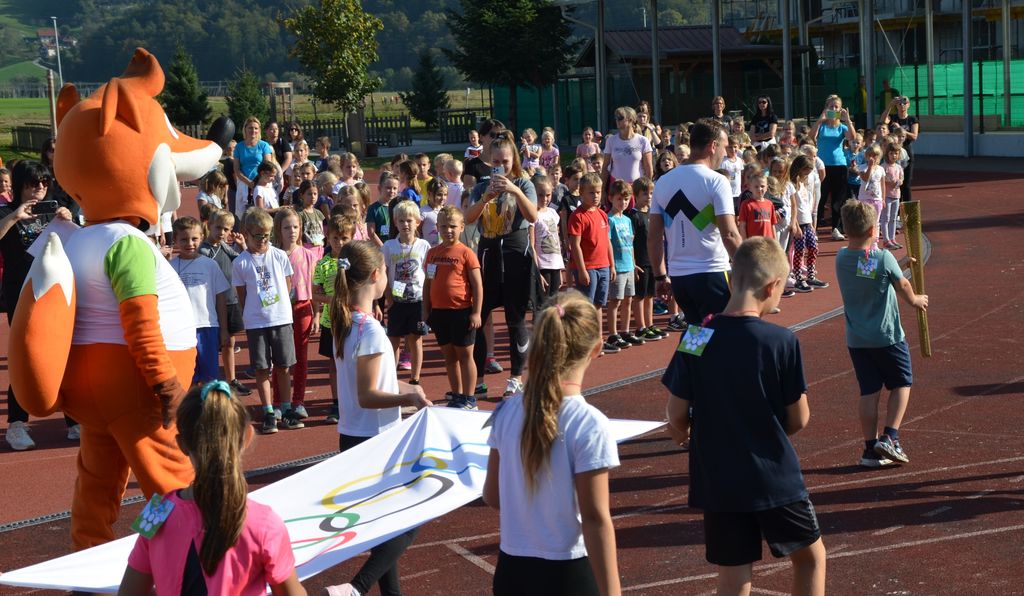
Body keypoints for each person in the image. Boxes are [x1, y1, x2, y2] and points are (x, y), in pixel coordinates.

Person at [664, 237, 826, 596]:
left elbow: (675, 414)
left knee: (733, 575)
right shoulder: (781, 341)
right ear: (772, 286)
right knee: (810, 558)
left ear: (731, 279)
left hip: (718, 478)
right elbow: (799, 418)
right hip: (773, 475)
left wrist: (686, 431)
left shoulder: (697, 336)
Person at [483, 290, 620, 596]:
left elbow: (492, 495)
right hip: (568, 574)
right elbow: (596, 519)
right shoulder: (588, 422)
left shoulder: (506, 411)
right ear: (596, 348)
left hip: (512, 571)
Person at [117, 381, 306, 595]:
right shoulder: (264, 522)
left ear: (182, 445)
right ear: (246, 437)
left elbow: (129, 592)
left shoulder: (156, 511)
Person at [321, 241, 431, 596]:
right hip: (375, 439)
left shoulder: (347, 323)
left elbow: (373, 382)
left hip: (355, 436)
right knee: (413, 514)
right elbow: (368, 395)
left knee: (384, 526)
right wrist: (408, 397)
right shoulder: (368, 331)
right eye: (385, 269)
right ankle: (356, 588)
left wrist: (409, 388)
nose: (387, 275)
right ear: (374, 275)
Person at [835, 200, 928, 468]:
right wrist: (915, 300)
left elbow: (873, 273)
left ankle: (869, 449)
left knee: (869, 391)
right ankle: (890, 436)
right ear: (873, 230)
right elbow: (902, 284)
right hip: (886, 336)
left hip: (857, 339)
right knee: (902, 383)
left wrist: (898, 265)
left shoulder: (842, 257)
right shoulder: (882, 257)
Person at [0, 161, 79, 449]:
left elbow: (80, 242)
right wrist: (14, 217)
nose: (40, 189)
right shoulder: (6, 213)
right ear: (20, 185)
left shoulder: (53, 213)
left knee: (63, 355)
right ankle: (16, 425)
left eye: (44, 183)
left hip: (55, 293)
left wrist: (70, 219)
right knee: (28, 356)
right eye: (33, 184)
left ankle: (73, 420)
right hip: (23, 295)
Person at [648, 119, 742, 327]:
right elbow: (729, 234)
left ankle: (690, 352)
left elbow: (653, 237)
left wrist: (660, 276)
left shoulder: (663, 182)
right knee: (721, 334)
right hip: (711, 273)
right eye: (724, 147)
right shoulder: (717, 181)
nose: (725, 154)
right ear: (713, 146)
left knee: (697, 333)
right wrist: (750, 267)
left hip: (680, 278)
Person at [465, 132, 539, 398]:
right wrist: (485, 198)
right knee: (479, 315)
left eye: (505, 161)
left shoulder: (524, 183)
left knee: (515, 318)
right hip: (488, 253)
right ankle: (479, 379)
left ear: (513, 160)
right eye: (496, 162)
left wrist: (515, 190)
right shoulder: (481, 187)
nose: (501, 166)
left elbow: (533, 216)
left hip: (515, 251)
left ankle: (516, 377)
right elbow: (468, 218)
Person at [232, 208, 300, 434]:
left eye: (267, 235)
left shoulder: (279, 256)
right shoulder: (240, 263)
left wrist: (278, 308)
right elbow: (242, 296)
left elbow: (287, 285)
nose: (262, 240)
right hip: (257, 323)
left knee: (284, 366)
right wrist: (254, 312)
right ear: (247, 233)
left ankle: (286, 409)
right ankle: (269, 411)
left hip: (281, 319)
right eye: (257, 236)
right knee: (262, 368)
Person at [423, 206, 483, 410]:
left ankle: (470, 398)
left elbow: (477, 285)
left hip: (462, 312)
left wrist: (476, 312)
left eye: (452, 226)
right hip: (440, 313)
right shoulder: (432, 254)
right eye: (443, 226)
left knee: (465, 357)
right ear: (437, 227)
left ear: (461, 227)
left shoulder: (467, 253)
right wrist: (426, 310)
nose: (448, 230)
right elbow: (428, 283)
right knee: (449, 357)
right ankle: (457, 395)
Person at [170, 217, 230, 385]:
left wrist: (224, 330)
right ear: (175, 240)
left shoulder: (210, 265)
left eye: (194, 238)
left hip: (207, 327)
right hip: (181, 329)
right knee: (187, 376)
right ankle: (190, 403)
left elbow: (220, 299)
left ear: (202, 237)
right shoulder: (169, 267)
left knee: (210, 378)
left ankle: (208, 403)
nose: (190, 243)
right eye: (184, 239)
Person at [271, 207, 317, 421]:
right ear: (278, 230)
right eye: (287, 227)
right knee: (280, 358)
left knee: (301, 357)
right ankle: (278, 402)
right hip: (279, 312)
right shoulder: (273, 255)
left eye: (296, 227)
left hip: (302, 308)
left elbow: (314, 288)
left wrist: (316, 314)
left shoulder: (308, 255)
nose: (292, 231)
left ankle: (298, 401)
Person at [200, 210, 252, 396]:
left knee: (229, 342)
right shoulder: (203, 250)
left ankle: (231, 380)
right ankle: (211, 381)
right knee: (211, 345)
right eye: (218, 228)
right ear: (209, 226)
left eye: (226, 229)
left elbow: (244, 260)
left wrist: (243, 245)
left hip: (230, 300)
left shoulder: (225, 246)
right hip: (211, 304)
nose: (222, 233)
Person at [382, 200, 431, 385]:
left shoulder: (424, 245)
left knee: (415, 339)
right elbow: (384, 273)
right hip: (396, 301)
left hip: (417, 301)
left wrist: (428, 299)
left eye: (409, 220)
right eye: (401, 221)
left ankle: (415, 378)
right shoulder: (389, 246)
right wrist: (388, 297)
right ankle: (391, 378)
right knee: (393, 339)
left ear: (417, 222)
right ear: (395, 222)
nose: (405, 224)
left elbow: (429, 273)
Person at [568, 173, 617, 354]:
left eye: (598, 192)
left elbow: (607, 241)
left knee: (598, 305)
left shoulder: (602, 214)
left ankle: (598, 340)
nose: (596, 196)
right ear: (581, 193)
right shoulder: (577, 216)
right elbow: (575, 245)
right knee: (585, 307)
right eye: (591, 192)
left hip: (603, 266)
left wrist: (612, 265)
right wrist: (582, 270)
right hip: (587, 268)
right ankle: (583, 342)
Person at [313, 215, 354, 424]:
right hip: (331, 322)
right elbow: (315, 294)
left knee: (353, 362)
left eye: (344, 238)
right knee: (334, 363)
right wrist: (332, 299)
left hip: (353, 321)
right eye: (335, 238)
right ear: (328, 238)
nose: (339, 243)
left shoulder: (355, 262)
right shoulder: (323, 264)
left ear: (351, 238)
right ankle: (337, 403)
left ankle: (353, 400)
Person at [811, 95, 857, 240]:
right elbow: (811, 137)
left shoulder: (842, 127)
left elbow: (852, 137)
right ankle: (814, 229)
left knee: (838, 199)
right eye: (831, 106)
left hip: (840, 166)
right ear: (826, 108)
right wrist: (820, 119)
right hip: (822, 167)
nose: (834, 109)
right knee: (820, 197)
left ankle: (836, 229)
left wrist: (847, 120)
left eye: (836, 107)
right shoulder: (822, 126)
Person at [605, 180, 641, 351]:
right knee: (615, 301)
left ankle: (625, 331)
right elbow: (608, 244)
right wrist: (612, 265)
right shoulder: (609, 219)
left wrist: (634, 264)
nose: (623, 202)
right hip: (617, 267)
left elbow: (631, 244)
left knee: (628, 300)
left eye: (626, 199)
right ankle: (613, 334)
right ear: (611, 198)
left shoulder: (627, 220)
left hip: (628, 265)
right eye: (619, 199)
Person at [628, 177, 665, 342]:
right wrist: (633, 263)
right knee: (640, 296)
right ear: (636, 195)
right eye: (645, 194)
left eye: (651, 193)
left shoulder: (652, 214)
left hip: (651, 261)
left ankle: (649, 324)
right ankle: (640, 327)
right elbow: (630, 242)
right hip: (640, 261)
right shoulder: (633, 216)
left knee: (650, 295)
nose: (649, 197)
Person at [785, 155, 829, 293]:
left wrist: (811, 224)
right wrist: (796, 225)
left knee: (813, 247)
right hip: (799, 224)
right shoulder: (791, 185)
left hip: (807, 222)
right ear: (799, 169)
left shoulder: (803, 185)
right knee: (799, 251)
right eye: (806, 172)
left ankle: (810, 276)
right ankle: (798, 278)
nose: (807, 175)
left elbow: (805, 205)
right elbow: (793, 207)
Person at [602, 106, 654, 206]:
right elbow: (605, 167)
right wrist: (603, 190)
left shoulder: (643, 141)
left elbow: (648, 169)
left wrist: (647, 191)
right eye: (616, 118)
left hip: (637, 188)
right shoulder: (611, 141)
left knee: (636, 215)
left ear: (630, 120)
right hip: (616, 188)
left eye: (620, 118)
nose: (617, 121)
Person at [232, 117, 274, 221]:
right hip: (244, 183)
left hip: (262, 183)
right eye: (250, 128)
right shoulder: (239, 147)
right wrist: (249, 183)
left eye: (256, 128)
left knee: (263, 216)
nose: (253, 130)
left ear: (259, 130)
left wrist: (258, 183)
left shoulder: (264, 145)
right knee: (244, 217)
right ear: (245, 129)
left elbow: (268, 166)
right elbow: (237, 169)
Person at [531, 175, 565, 302]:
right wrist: (537, 271)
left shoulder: (553, 213)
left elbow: (556, 240)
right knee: (543, 304)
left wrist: (559, 268)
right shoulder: (532, 214)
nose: (545, 199)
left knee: (554, 303)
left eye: (548, 195)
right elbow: (532, 244)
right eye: (540, 195)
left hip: (555, 265)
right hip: (542, 266)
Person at [881, 95, 919, 202]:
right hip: (893, 151)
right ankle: (896, 208)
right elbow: (883, 121)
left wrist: (900, 129)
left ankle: (908, 209)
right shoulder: (893, 118)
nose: (902, 105)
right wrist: (890, 105)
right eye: (899, 103)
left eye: (904, 103)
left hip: (906, 150)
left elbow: (914, 136)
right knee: (894, 181)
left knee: (906, 183)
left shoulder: (912, 119)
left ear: (908, 105)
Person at [857, 144, 886, 250]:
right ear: (866, 156)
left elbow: (882, 185)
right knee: (864, 221)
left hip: (876, 199)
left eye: (875, 155)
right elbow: (865, 178)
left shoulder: (881, 169)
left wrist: (883, 199)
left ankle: (874, 243)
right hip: (864, 199)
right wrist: (869, 167)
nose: (872, 158)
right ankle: (864, 242)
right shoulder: (862, 168)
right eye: (870, 155)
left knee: (876, 222)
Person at [738, 171, 778, 240]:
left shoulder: (770, 204)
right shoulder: (746, 204)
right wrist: (745, 242)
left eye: (762, 186)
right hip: (753, 242)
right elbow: (742, 226)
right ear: (750, 188)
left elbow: (772, 225)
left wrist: (775, 242)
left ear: (766, 187)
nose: (759, 189)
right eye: (756, 187)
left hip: (768, 242)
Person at [880, 143, 905, 250]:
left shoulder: (898, 167)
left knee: (894, 218)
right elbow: (882, 179)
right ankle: (886, 240)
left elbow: (901, 178)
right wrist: (889, 181)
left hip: (896, 195)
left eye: (896, 153)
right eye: (891, 153)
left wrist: (899, 182)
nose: (894, 155)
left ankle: (892, 238)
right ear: (887, 154)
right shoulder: (884, 167)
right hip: (886, 195)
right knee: (886, 218)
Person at [296, 181, 326, 260]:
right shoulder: (300, 214)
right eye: (309, 194)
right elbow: (299, 235)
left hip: (319, 248)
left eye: (315, 194)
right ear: (302, 195)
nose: (313, 197)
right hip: (307, 248)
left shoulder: (318, 213)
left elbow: (322, 231)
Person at [368, 171, 397, 246]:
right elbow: (371, 233)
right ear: (379, 188)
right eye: (388, 188)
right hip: (380, 248)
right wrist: (383, 248)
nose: (392, 191)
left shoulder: (398, 207)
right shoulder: (373, 208)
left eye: (395, 188)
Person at [420, 178, 448, 247]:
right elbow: (417, 231)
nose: (443, 198)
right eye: (439, 195)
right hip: (428, 249)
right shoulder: (423, 212)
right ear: (429, 194)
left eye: (445, 195)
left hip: (442, 249)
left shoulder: (446, 211)